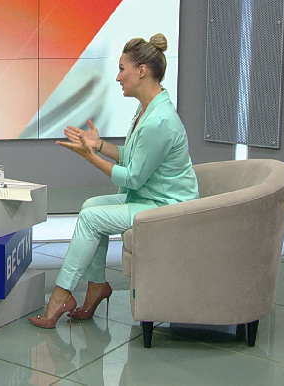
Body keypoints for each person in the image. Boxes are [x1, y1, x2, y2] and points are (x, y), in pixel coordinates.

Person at [29, 33, 199, 328]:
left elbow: (132, 177)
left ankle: (61, 295)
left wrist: (89, 157)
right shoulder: (147, 110)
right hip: (150, 198)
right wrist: (98, 145)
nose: (118, 77)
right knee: (90, 206)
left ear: (141, 71)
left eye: (122, 69)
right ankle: (96, 286)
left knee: (91, 218)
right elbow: (131, 158)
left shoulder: (159, 121)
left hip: (168, 208)